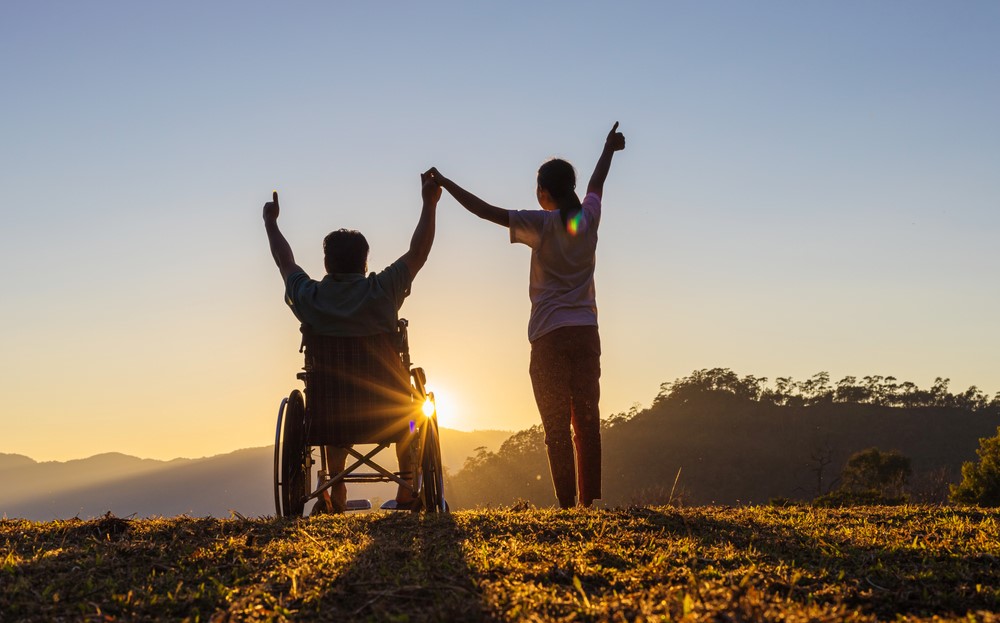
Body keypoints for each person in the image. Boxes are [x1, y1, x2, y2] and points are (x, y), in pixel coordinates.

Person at [429, 122, 625, 508]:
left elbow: (486, 212)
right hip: (586, 333)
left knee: (555, 426)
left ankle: (567, 505)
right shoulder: (587, 218)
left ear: (545, 194)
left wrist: (447, 184)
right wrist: (608, 148)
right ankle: (592, 502)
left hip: (549, 336)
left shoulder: (542, 224)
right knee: (586, 419)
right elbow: (598, 182)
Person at [263, 171, 441, 512]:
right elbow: (419, 251)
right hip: (392, 411)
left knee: (329, 392)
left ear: (327, 263)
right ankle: (407, 489)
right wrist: (428, 203)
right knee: (414, 405)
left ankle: (337, 488)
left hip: (329, 417)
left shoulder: (310, 296)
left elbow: (285, 262)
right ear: (365, 263)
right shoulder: (383, 289)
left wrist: (270, 223)